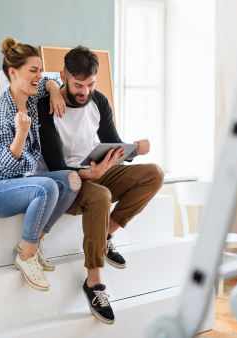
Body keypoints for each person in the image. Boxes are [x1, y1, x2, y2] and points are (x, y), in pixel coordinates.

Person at [36, 46, 165, 324]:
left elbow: (111, 144)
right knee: (101, 195)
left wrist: (133, 150)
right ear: (64, 77)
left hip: (97, 170)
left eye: (91, 84)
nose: (85, 91)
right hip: (66, 180)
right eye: (78, 84)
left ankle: (106, 234)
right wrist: (89, 175)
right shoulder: (46, 106)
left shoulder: (98, 101)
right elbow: (56, 166)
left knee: (154, 173)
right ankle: (94, 282)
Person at [0, 37, 81, 292]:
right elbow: (6, 169)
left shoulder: (30, 95)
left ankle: (34, 241)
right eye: (33, 71)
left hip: (9, 183)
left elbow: (53, 80)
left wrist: (52, 90)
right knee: (46, 188)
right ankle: (26, 256)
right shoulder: (1, 114)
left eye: (39, 70)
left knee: (72, 180)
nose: (39, 76)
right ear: (13, 73)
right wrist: (20, 134)